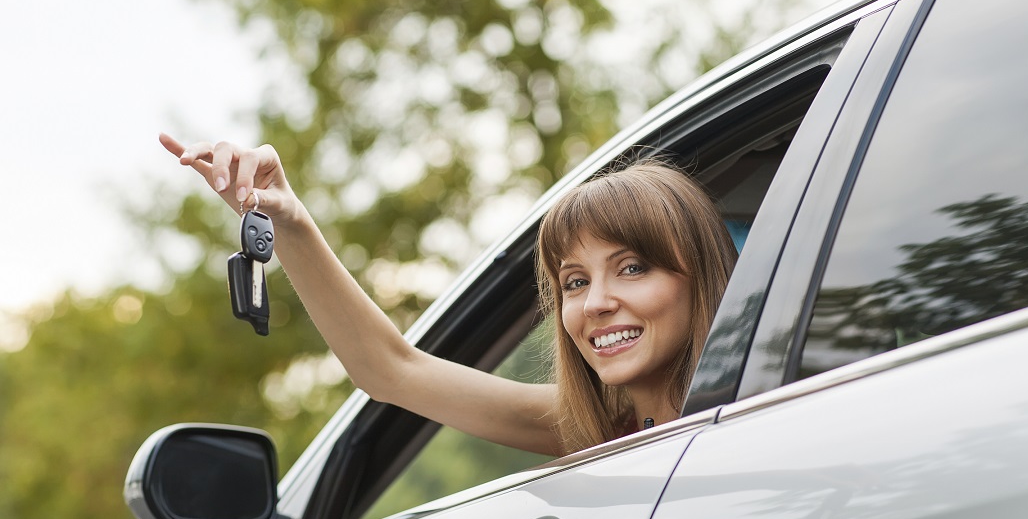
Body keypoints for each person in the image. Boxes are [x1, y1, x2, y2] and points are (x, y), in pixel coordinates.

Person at [160, 133, 737, 456]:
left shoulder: (774, 407)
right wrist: (290, 223)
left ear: (701, 276)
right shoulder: (591, 426)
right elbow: (391, 370)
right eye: (575, 282)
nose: (595, 303)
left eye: (632, 268)